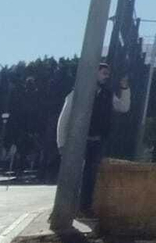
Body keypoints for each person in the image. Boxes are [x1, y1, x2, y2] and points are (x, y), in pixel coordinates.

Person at [56, 63, 131, 215]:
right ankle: (66, 207)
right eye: (103, 72)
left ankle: (84, 207)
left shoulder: (107, 94)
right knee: (73, 174)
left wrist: (125, 88)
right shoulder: (78, 92)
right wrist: (61, 142)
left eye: (107, 73)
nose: (106, 76)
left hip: (96, 141)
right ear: (94, 73)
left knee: (90, 175)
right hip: (77, 141)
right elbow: (64, 118)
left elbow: (123, 107)